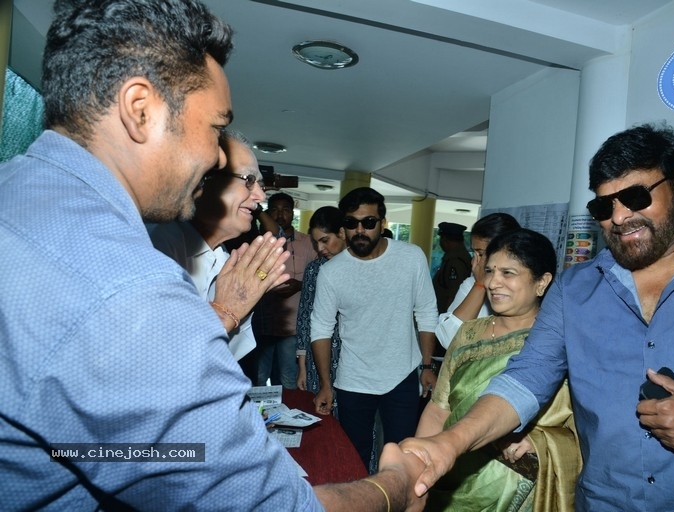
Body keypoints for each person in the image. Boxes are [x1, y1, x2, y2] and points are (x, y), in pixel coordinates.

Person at [0, 1, 425, 510]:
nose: (218, 158)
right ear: (140, 109)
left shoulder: (18, 190)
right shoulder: (130, 292)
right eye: (214, 130)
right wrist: (392, 488)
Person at [401, 122, 674, 511]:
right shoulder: (573, 290)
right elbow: (526, 379)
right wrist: (450, 442)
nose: (620, 217)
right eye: (604, 206)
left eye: (636, 196)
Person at [417, 227, 580, 512]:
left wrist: (540, 442)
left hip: (518, 488)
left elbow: (585, 426)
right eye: (490, 271)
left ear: (542, 282)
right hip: (452, 477)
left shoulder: (558, 345)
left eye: (508, 273)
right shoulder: (467, 334)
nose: (493, 282)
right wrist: (420, 465)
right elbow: (438, 408)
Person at [311, 187, 439, 470]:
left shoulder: (411, 257)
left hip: (402, 376)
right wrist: (325, 384)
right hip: (353, 380)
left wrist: (428, 366)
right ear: (342, 227)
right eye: (351, 223)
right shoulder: (331, 273)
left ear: (383, 223)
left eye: (368, 222)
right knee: (354, 457)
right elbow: (320, 329)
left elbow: (427, 312)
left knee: (402, 456)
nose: (360, 230)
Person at [148, 130, 273, 360]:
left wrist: (244, 299)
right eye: (249, 180)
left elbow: (224, 357)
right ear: (204, 179)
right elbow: (156, 357)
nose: (260, 197)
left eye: (260, 185)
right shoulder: (157, 245)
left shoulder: (221, 256)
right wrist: (226, 312)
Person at [247, 192, 316, 388]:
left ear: (292, 213)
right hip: (263, 324)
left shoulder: (308, 243)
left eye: (285, 210)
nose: (280, 215)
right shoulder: (258, 242)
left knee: (289, 378)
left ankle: (289, 417)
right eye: (275, 210)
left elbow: (320, 277)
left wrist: (300, 285)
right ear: (267, 213)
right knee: (259, 378)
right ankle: (261, 418)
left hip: (292, 326)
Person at [435, 213, 521, 349]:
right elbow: (449, 340)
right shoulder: (471, 285)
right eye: (474, 254)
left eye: (481, 254)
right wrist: (480, 285)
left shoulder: (522, 288)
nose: (474, 262)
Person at [296, 206, 347, 395]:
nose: (320, 248)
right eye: (316, 242)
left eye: (325, 240)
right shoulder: (314, 269)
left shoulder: (363, 267)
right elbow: (304, 317)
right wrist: (302, 365)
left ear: (342, 232)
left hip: (355, 361)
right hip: (318, 359)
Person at [432, 221, 472, 315]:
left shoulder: (455, 261)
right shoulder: (456, 258)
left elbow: (454, 292)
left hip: (447, 314)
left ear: (445, 240)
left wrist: (448, 319)